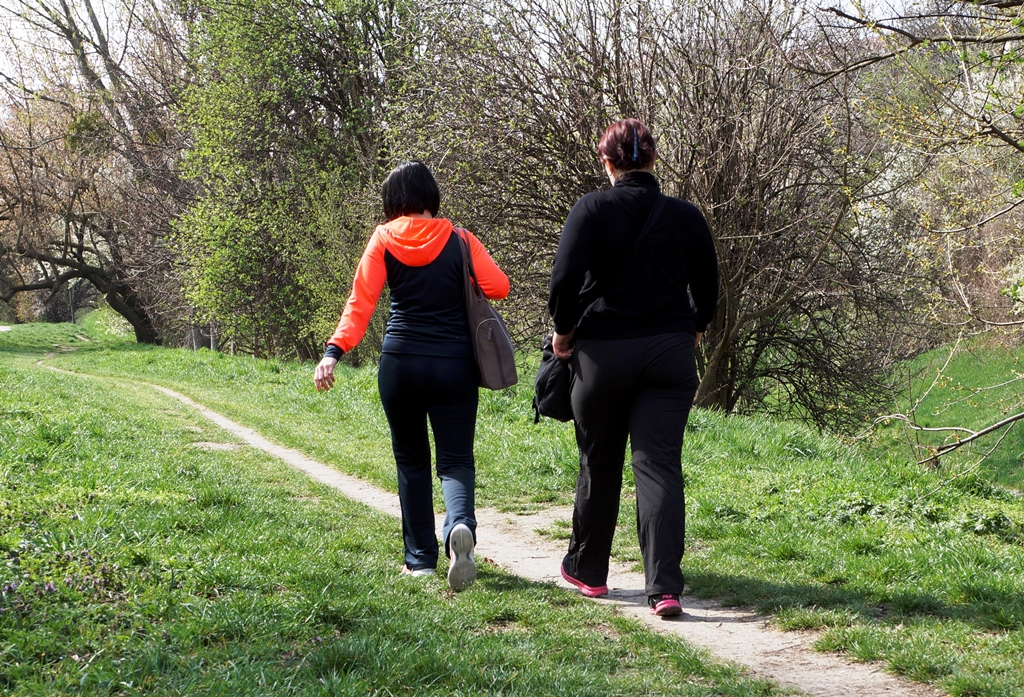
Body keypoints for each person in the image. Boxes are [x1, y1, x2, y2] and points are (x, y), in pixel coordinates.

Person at [547, 119, 719, 616]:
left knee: (599, 462)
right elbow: (708, 282)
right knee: (659, 464)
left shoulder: (591, 208)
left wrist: (563, 329)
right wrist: (696, 324)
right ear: (653, 160)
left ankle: (589, 571)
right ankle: (664, 587)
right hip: (668, 355)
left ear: (609, 163)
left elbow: (563, 279)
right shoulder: (685, 216)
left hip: (602, 357)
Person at [313, 160, 510, 591]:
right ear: (430, 196)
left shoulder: (383, 238)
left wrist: (334, 352)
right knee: (456, 459)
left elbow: (360, 303)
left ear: (393, 201)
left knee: (411, 461)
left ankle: (420, 559)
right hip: (454, 365)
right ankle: (461, 529)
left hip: (401, 363)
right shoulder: (460, 239)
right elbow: (499, 286)